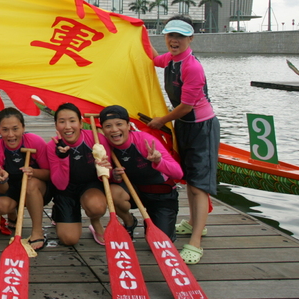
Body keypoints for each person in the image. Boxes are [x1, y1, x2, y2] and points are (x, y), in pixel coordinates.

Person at [146, 16, 220, 264]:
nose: (174, 40)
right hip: (184, 126)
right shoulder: (171, 59)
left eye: (180, 36)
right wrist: (138, 34)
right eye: (170, 35)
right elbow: (154, 59)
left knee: (199, 185)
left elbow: (186, 106)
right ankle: (192, 223)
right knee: (189, 179)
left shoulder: (192, 67)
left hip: (202, 127)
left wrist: (160, 120)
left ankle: (196, 241)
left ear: (191, 38)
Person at [98, 104, 183, 242]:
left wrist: (159, 161)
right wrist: (114, 175)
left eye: (119, 124)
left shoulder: (145, 141)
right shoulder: (104, 147)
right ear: (103, 129)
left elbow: (178, 174)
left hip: (161, 195)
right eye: (108, 126)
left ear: (128, 125)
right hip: (135, 192)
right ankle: (129, 222)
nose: (114, 130)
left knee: (160, 242)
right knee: (113, 192)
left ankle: (155, 221)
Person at [46, 102, 114, 246]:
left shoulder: (96, 139)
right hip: (66, 190)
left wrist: (108, 169)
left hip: (90, 186)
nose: (67, 126)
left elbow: (108, 174)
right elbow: (60, 184)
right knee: (69, 240)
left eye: (72, 121)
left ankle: (95, 222)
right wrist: (63, 158)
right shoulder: (52, 146)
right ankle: (58, 211)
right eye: (62, 122)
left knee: (96, 207)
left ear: (81, 123)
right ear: (56, 125)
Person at [0, 107, 51, 251]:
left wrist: (34, 172)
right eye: (5, 130)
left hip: (36, 187)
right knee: (1, 206)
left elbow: (49, 174)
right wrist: (2, 180)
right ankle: (12, 214)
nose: (11, 135)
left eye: (15, 129)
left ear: (23, 128)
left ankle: (37, 231)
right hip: (11, 188)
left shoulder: (35, 142)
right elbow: (1, 189)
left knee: (31, 184)